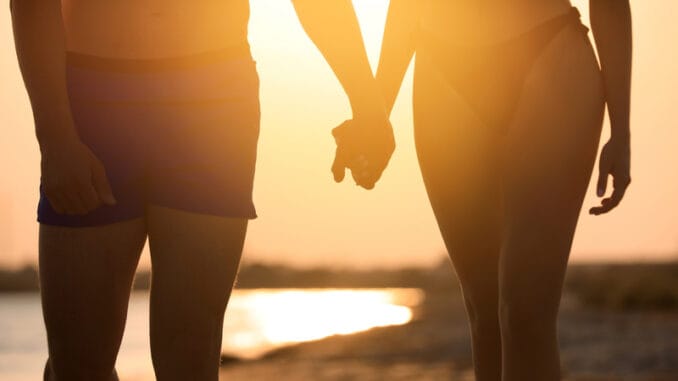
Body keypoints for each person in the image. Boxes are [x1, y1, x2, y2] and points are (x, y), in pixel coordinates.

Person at [9, 0, 391, 380]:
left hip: (213, 100)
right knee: (77, 362)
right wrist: (55, 136)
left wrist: (369, 105)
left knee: (190, 357)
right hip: (92, 99)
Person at [338, 0, 632, 380]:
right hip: (442, 66)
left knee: (526, 312)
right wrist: (376, 115)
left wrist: (621, 129)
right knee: (485, 310)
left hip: (550, 51)